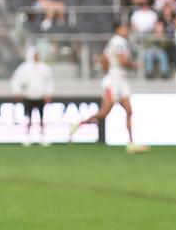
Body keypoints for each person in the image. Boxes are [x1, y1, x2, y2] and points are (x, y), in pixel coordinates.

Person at [70, 24, 148, 152]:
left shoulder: (112, 42)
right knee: (103, 113)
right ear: (117, 29)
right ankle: (78, 124)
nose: (126, 31)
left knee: (128, 110)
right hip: (114, 81)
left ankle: (131, 142)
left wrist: (109, 70)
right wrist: (134, 64)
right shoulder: (119, 42)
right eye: (123, 28)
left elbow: (103, 59)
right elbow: (122, 61)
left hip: (118, 79)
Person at [10, 48, 54, 145]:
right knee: (28, 118)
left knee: (42, 118)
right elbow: (16, 80)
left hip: (40, 96)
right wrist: (17, 92)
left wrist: (48, 93)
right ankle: (27, 137)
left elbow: (49, 81)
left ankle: (42, 137)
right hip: (28, 96)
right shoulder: (24, 68)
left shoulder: (44, 67)